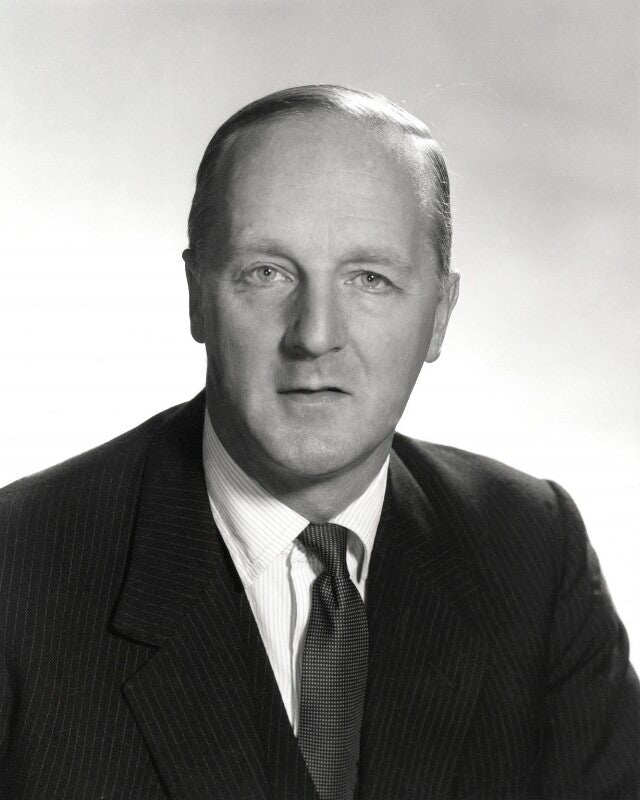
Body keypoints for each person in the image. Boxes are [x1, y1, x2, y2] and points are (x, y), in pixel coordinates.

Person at [0, 85, 638, 800]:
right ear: (197, 296)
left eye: (370, 279)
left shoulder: (532, 550)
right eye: (266, 273)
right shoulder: (16, 569)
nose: (314, 335)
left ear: (439, 314)